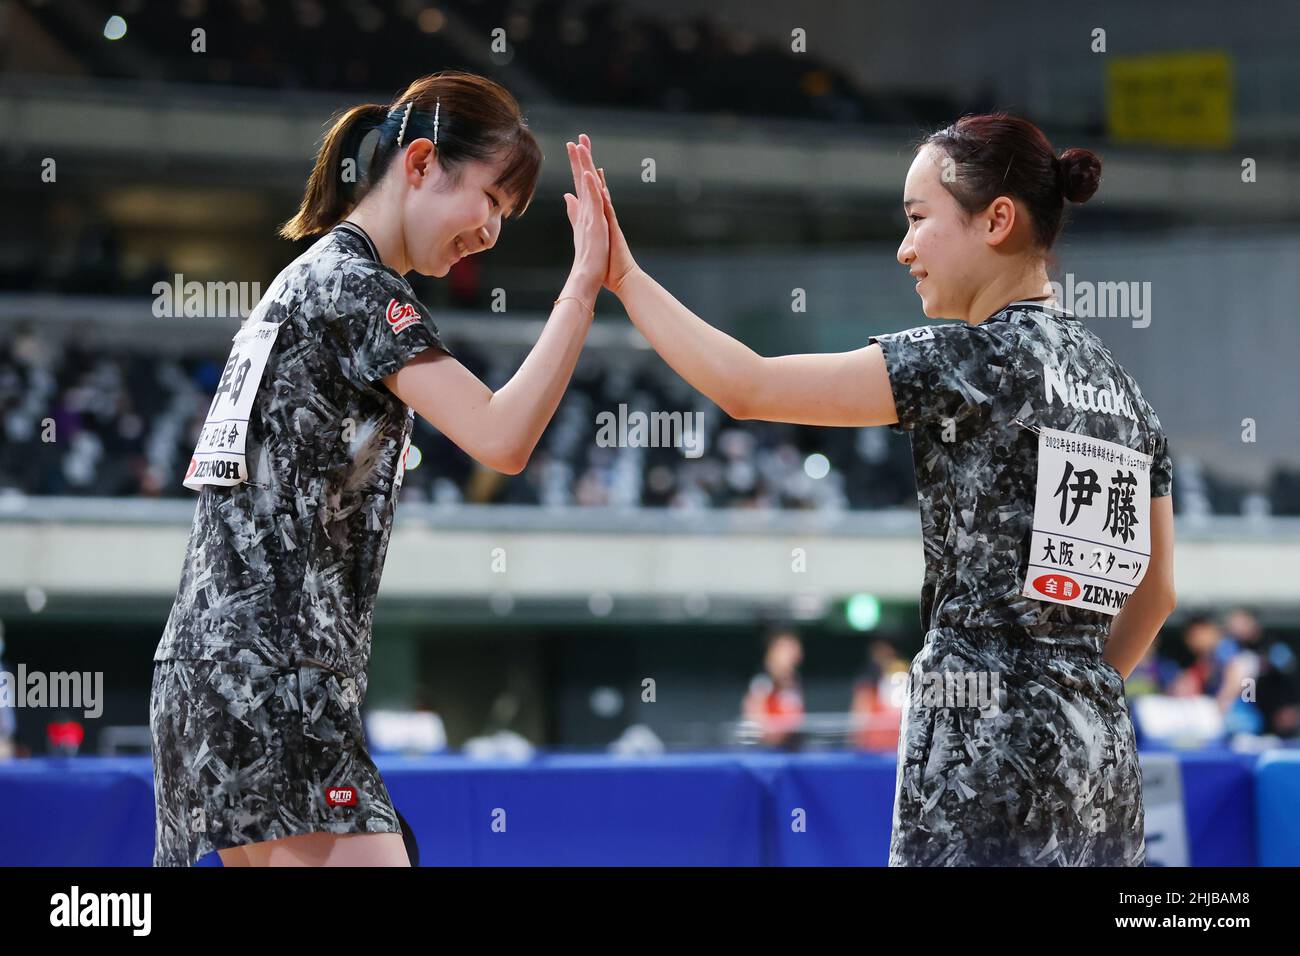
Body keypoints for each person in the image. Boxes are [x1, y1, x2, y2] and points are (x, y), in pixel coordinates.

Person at [573, 112, 1176, 866]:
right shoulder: (1126, 393)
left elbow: (747, 384)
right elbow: (1155, 597)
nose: (904, 249)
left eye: (919, 219)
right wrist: (1064, 691)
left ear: (996, 219)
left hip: (978, 749)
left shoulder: (974, 359)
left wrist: (624, 278)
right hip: (1100, 757)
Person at [150, 71, 610, 867]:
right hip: (275, 677)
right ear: (424, 162)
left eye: (508, 214)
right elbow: (501, 438)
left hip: (214, 670)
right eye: (492, 200)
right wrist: (583, 285)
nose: (493, 231)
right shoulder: (359, 288)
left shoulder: (305, 276)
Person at [741, 629, 806, 749]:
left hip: (791, 749)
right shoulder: (762, 681)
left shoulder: (794, 682)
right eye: (786, 650)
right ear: (773, 653)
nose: (792, 656)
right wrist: (775, 735)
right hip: (769, 753)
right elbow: (754, 719)